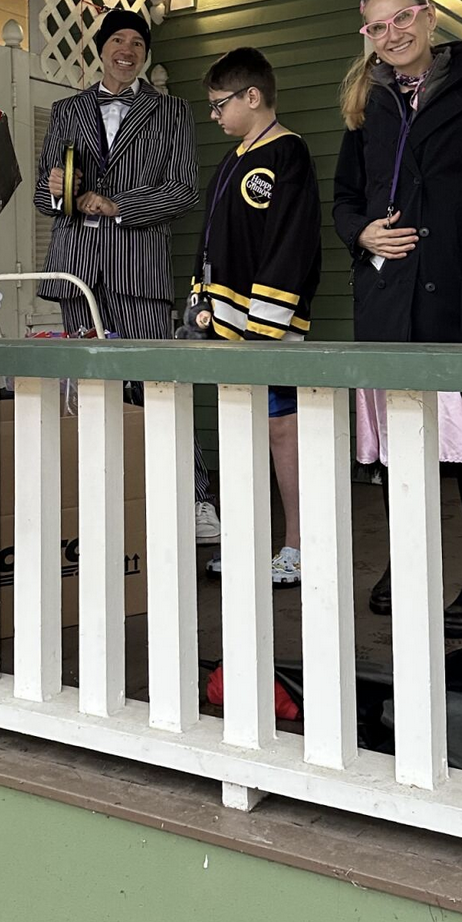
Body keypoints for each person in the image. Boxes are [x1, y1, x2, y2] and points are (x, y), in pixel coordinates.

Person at [332, 0, 462, 635]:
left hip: (461, 287)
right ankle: (406, 558)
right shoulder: (367, 101)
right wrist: (361, 232)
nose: (394, 34)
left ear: (428, 15)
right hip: (390, 295)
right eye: (378, 27)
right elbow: (345, 199)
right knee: (398, 439)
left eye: (403, 18)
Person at [34, 7, 219, 540]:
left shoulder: (172, 112)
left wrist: (116, 205)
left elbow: (183, 190)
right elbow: (52, 202)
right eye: (118, 39)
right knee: (88, 389)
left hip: (140, 269)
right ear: (102, 47)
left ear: (144, 54)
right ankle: (103, 500)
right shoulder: (66, 109)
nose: (127, 50)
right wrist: (57, 189)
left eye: (137, 43)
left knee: (157, 384)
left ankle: (194, 501)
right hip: (76, 271)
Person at [195, 48, 321, 587]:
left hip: (265, 328)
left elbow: (291, 246)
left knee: (281, 430)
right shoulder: (231, 159)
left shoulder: (289, 155)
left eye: (220, 104)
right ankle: (246, 542)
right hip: (223, 324)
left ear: (253, 96)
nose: (215, 115)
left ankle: (298, 544)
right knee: (240, 430)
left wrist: (264, 328)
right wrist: (201, 299)